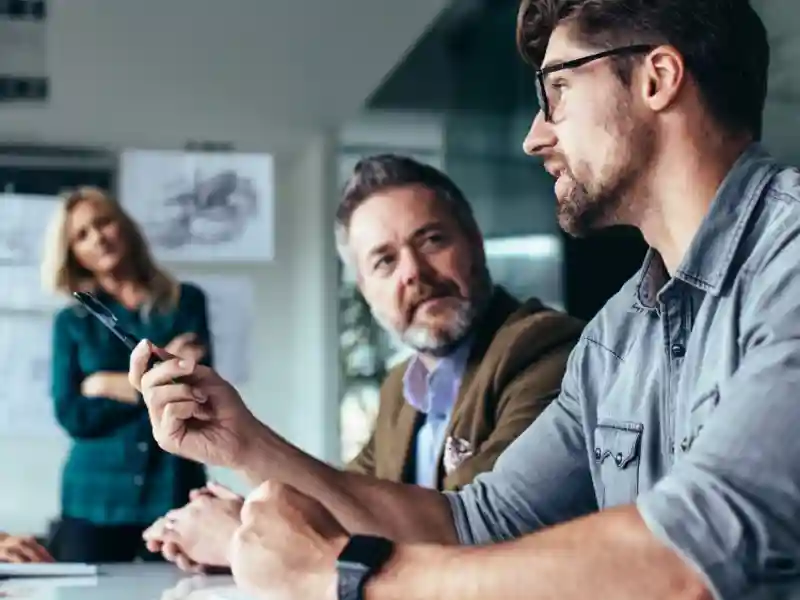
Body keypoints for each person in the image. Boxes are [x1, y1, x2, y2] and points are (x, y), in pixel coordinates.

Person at [126, 0, 791, 596]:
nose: (535, 136)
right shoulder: (620, 334)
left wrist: (350, 575)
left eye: (557, 89)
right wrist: (242, 442)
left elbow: (692, 561)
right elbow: (477, 522)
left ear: (657, 79)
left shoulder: (786, 263)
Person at [140, 155, 584, 572]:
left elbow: (472, 535)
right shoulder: (401, 389)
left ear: (474, 243)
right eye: (384, 261)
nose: (412, 272)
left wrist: (243, 538)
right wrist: (249, 512)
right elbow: (344, 505)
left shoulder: (545, 349)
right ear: (366, 292)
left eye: (431, 240)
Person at [41, 187, 213, 563]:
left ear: (124, 226)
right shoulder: (71, 323)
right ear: (73, 253)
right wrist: (153, 384)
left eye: (103, 223)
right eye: (81, 235)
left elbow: (194, 393)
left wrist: (105, 384)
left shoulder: (186, 302)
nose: (98, 237)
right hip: (94, 498)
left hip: (172, 487)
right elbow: (72, 414)